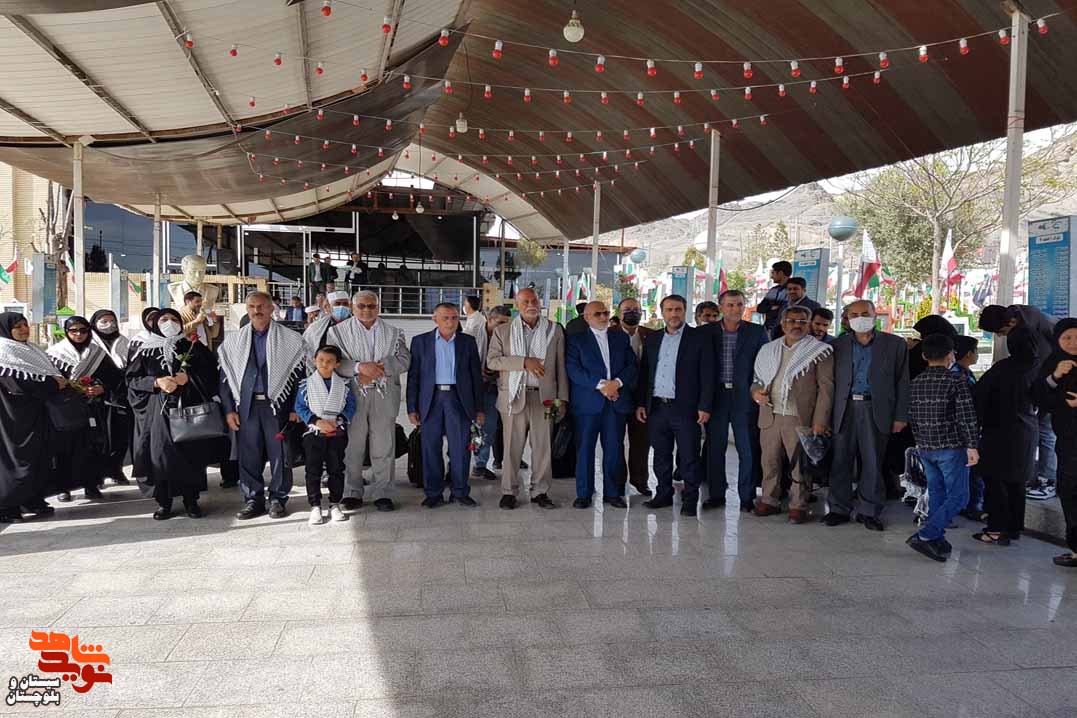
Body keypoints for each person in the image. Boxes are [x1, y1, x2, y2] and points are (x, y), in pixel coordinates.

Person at [219, 292, 307, 520]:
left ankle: (278, 498)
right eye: (251, 306)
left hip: (278, 406)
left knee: (280, 454)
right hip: (246, 406)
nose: (256, 310)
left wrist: (296, 407)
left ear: (271, 309)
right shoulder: (234, 341)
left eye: (261, 306)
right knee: (248, 454)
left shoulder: (291, 339)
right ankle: (253, 499)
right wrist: (229, 409)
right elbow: (225, 378)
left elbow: (301, 377)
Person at [822, 300, 910, 531]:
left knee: (872, 461)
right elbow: (827, 383)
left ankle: (869, 510)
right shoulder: (836, 345)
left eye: (864, 313)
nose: (860, 318)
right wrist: (823, 416)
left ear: (874, 315)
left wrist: (900, 416)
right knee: (840, 460)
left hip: (876, 409)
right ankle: (838, 508)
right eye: (854, 314)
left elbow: (902, 382)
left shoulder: (895, 344)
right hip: (843, 409)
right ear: (847, 319)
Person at [126, 308, 220, 519]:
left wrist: (189, 378)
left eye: (174, 319)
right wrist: (156, 382)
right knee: (161, 455)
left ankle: (191, 500)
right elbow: (131, 380)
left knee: (190, 454)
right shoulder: (145, 351)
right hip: (159, 413)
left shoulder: (192, 346)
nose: (169, 323)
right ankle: (164, 502)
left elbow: (211, 373)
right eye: (164, 319)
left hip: (189, 409)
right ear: (155, 324)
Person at [329, 290, 411, 512]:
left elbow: (405, 360)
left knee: (384, 445)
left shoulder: (393, 332)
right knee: (352, 446)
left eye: (371, 306)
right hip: (353, 394)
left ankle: (383, 493)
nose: (366, 310)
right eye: (361, 306)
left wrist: (379, 368)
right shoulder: (337, 332)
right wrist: (359, 368)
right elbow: (332, 361)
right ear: (353, 308)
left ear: (378, 307)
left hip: (384, 394)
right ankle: (352, 492)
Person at [750, 306, 834, 523]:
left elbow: (826, 389)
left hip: (800, 417)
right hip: (770, 414)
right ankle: (769, 500)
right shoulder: (768, 349)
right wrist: (756, 393)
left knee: (799, 465)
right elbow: (757, 380)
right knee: (769, 461)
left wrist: (820, 421)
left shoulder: (819, 351)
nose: (796, 325)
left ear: (809, 325)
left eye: (802, 322)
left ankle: (798, 505)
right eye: (791, 321)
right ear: (783, 323)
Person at [487, 287, 568, 510]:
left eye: (534, 300)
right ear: (517, 305)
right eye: (525, 302)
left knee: (543, 448)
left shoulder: (554, 329)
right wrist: (524, 362)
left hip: (546, 399)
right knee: (511, 448)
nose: (531, 305)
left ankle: (540, 491)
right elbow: (492, 361)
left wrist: (562, 399)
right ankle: (508, 492)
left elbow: (561, 367)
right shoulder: (503, 331)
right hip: (513, 398)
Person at [635, 295, 714, 517]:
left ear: (685, 311)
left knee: (689, 456)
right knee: (661, 455)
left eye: (678, 309)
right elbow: (645, 373)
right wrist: (641, 403)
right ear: (662, 313)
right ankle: (663, 494)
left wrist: (705, 405)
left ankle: (690, 499)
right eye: (669, 310)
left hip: (686, 408)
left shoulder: (699, 338)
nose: (674, 314)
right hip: (657, 407)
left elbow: (708, 374)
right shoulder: (653, 338)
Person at [906, 333, 979, 561]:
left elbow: (912, 417)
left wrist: (920, 442)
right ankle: (926, 535)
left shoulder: (916, 382)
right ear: (951, 355)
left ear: (924, 356)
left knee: (937, 493)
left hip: (925, 447)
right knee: (960, 497)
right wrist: (972, 446)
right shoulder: (957, 380)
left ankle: (936, 536)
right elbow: (966, 416)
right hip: (952, 448)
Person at [407, 303, 485, 508]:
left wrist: (479, 408)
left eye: (454, 318)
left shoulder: (467, 342)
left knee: (460, 449)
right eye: (445, 318)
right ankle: (433, 493)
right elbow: (413, 377)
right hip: (430, 400)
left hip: (458, 400)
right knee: (430, 448)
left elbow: (476, 377)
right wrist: (412, 408)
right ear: (435, 319)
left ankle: (460, 491)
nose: (450, 322)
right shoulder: (420, 342)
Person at [700, 290, 769, 512]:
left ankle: (747, 497)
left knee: (747, 449)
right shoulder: (705, 332)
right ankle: (716, 494)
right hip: (716, 397)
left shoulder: (757, 332)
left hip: (745, 397)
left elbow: (765, 365)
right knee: (715, 448)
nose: (735, 309)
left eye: (739, 304)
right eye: (730, 305)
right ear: (721, 307)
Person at [980, 303, 1058, 499]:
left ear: (1010, 322)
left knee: (1045, 430)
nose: (1000, 336)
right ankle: (1035, 475)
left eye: (1000, 332)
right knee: (1037, 430)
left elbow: (1056, 346)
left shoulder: (1032, 323)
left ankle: (1048, 480)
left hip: (1050, 380)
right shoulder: (1021, 324)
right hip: (1036, 380)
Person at [566, 301, 637, 509]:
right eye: (598, 314)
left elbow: (632, 366)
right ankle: (584, 494)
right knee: (585, 450)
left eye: (606, 313)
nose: (604, 317)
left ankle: (613, 493)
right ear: (587, 317)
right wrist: (602, 386)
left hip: (615, 403)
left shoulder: (620, 338)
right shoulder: (576, 340)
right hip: (588, 405)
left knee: (614, 449)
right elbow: (573, 370)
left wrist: (617, 383)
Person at [48, 316, 122, 503]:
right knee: (64, 449)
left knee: (91, 447)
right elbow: (48, 381)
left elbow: (115, 377)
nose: (79, 334)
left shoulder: (96, 353)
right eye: (73, 331)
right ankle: (63, 487)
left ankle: (91, 484)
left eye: (83, 330)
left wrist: (101, 388)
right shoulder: (54, 354)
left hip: (91, 407)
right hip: (64, 409)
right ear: (66, 332)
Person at [0, 313, 64, 523]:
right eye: (17, 327)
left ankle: (32, 499)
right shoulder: (3, 352)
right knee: (16, 460)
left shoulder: (32, 350)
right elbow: (17, 386)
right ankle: (7, 506)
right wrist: (53, 384)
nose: (23, 330)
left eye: (25, 325)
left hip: (35, 415)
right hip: (12, 419)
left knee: (39, 457)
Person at [973, 338, 1037, 545]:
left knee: (995, 482)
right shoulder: (1038, 368)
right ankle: (1013, 528)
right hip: (1027, 432)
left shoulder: (1002, 369)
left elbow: (979, 397)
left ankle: (995, 529)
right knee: (1017, 483)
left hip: (998, 432)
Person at [295, 345, 357, 525]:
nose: (324, 364)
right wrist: (316, 421)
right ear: (314, 361)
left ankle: (334, 503)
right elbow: (300, 406)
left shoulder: (343, 385)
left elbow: (351, 406)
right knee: (312, 470)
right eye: (321, 360)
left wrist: (337, 421)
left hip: (336, 432)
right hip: (314, 432)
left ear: (337, 364)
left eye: (329, 361)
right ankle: (315, 505)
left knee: (336, 469)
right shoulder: (306, 384)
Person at [1034, 319, 1077, 566]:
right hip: (1068, 443)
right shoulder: (1053, 363)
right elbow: (1038, 397)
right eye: (1067, 338)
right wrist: (1055, 377)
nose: (1073, 343)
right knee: (1069, 492)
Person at [615, 297, 653, 496]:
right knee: (615, 442)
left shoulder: (651, 335)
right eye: (628, 309)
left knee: (641, 442)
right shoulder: (609, 334)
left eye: (636, 309)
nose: (632, 313)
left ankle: (640, 481)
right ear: (619, 313)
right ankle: (618, 482)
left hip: (642, 398)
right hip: (617, 396)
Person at [90, 309, 132, 486]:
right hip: (94, 397)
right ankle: (96, 475)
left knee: (119, 436)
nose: (109, 325)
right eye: (104, 321)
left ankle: (115, 469)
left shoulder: (124, 342)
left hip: (119, 396)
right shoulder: (89, 343)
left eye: (112, 321)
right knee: (98, 438)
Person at [471, 305, 511, 481]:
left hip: (493, 388)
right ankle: (455, 466)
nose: (503, 327)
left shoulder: (508, 337)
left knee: (489, 428)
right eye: (500, 323)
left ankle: (480, 464)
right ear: (489, 319)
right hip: (471, 388)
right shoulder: (472, 335)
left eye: (506, 323)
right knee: (467, 428)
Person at [952, 335, 982, 520]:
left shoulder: (961, 372)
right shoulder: (961, 376)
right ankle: (971, 505)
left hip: (958, 432)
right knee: (971, 470)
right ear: (969, 354)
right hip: (963, 432)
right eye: (976, 351)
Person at [303, 291, 352, 365]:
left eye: (345, 304)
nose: (342, 307)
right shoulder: (316, 327)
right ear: (327, 307)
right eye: (337, 304)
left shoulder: (357, 325)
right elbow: (307, 350)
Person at [756, 260, 792, 338]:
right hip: (769, 330)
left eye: (773, 273)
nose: (771, 276)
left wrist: (769, 309)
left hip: (785, 332)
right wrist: (771, 307)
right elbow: (760, 308)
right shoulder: (773, 290)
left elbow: (785, 311)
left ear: (781, 273)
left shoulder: (792, 291)